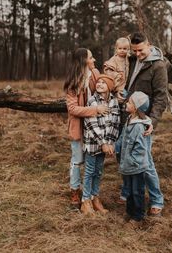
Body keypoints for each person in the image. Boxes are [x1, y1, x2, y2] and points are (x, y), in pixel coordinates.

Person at [120, 32, 168, 216]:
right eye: (135, 50)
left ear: (149, 44)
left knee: (145, 162)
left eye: (140, 50)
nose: (137, 54)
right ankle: (128, 192)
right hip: (128, 116)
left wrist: (151, 122)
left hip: (143, 121)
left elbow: (161, 97)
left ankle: (157, 199)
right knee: (124, 153)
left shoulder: (158, 66)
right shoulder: (131, 59)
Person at [63, 48, 109, 207]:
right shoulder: (73, 83)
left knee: (93, 162)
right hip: (79, 127)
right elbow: (73, 109)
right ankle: (75, 190)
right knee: (77, 160)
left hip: (95, 127)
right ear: (83, 61)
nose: (94, 59)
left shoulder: (95, 74)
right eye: (91, 57)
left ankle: (90, 193)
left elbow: (106, 86)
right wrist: (95, 110)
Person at [81, 74, 120, 215]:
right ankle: (85, 201)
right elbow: (91, 124)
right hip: (92, 143)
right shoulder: (92, 101)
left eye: (103, 83)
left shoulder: (114, 102)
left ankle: (95, 197)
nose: (99, 84)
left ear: (109, 87)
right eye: (98, 82)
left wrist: (109, 143)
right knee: (90, 171)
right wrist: (102, 143)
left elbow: (115, 123)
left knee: (98, 172)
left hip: (106, 144)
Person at [118, 91, 152, 223]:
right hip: (128, 165)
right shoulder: (129, 119)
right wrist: (115, 147)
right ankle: (129, 212)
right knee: (129, 191)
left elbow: (140, 148)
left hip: (136, 166)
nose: (127, 103)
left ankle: (138, 216)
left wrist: (132, 160)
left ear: (136, 107)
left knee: (137, 191)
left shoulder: (138, 126)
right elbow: (122, 138)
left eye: (130, 102)